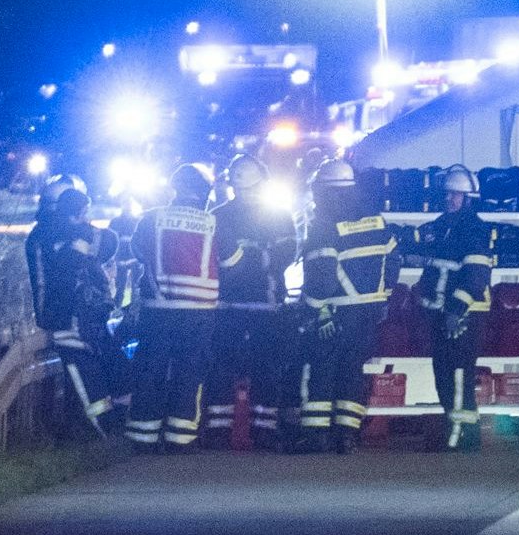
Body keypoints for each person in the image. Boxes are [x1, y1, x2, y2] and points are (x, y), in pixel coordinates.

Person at [293, 158, 395, 452]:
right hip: (368, 313)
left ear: (330, 192)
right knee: (352, 371)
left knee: (322, 371)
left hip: (334, 312)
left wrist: (312, 309)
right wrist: (382, 296)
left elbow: (321, 277)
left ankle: (316, 437)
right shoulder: (376, 220)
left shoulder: (325, 226)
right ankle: (347, 436)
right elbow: (394, 261)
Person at [402, 164, 499, 449]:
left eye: (455, 195)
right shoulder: (442, 225)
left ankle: (461, 436)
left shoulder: (476, 229)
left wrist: (457, 310)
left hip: (464, 314)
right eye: (448, 194)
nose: (449, 199)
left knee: (458, 374)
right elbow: (418, 245)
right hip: (439, 313)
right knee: (444, 372)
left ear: (468, 198)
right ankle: (454, 428)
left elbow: (477, 276)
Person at [127, 164, 221, 450]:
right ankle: (180, 438)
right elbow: (230, 263)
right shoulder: (214, 223)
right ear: (205, 193)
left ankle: (143, 436)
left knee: (150, 369)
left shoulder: (151, 219)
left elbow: (137, 251)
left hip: (158, 309)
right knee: (191, 371)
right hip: (200, 312)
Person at [209, 151, 295, 447]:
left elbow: (284, 255)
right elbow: (282, 258)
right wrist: (256, 259)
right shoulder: (278, 216)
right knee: (265, 369)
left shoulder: (218, 215)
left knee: (223, 368)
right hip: (260, 306)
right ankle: (263, 432)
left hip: (231, 306)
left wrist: (241, 261)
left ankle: (218, 433)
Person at [30, 179, 116, 438]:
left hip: (87, 318)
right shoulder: (44, 238)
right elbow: (52, 278)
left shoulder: (68, 235)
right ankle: (103, 430)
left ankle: (107, 428)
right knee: (87, 377)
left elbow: (107, 244)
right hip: (68, 320)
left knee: (108, 369)